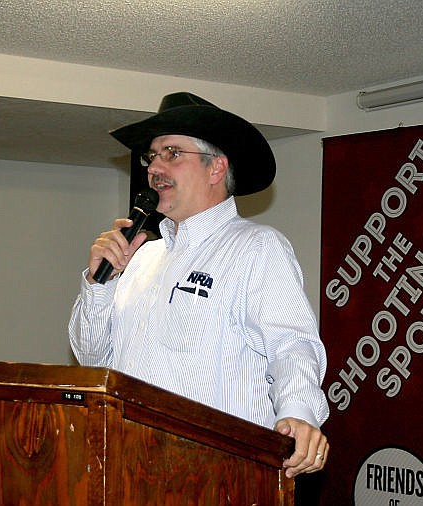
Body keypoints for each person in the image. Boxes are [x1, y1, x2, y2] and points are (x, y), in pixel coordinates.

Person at [68, 92, 329, 477]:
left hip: (216, 475)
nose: (154, 167)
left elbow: (292, 345)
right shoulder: (140, 259)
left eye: (171, 153)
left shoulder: (256, 247)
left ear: (216, 168)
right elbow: (92, 360)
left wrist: (298, 416)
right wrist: (98, 283)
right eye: (151, 156)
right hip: (129, 466)